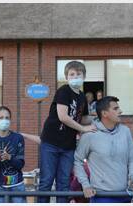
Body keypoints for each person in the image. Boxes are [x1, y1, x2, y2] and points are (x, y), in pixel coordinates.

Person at [38, 61, 96, 203]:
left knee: (64, 183)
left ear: (84, 76)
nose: (75, 76)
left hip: (68, 146)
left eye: (78, 74)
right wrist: (83, 129)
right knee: (46, 181)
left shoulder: (82, 97)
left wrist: (98, 117)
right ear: (66, 77)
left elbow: (82, 118)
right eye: (72, 74)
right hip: (51, 142)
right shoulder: (63, 91)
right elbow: (63, 116)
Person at [74, 96, 133, 203]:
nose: (120, 111)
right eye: (115, 109)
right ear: (104, 114)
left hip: (125, 195)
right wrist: (85, 185)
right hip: (102, 196)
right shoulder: (90, 135)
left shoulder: (125, 132)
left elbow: (132, 159)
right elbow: (77, 161)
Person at [0, 106, 26, 203]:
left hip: (17, 186)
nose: (4, 120)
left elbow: (21, 164)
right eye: (1, 118)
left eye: (7, 118)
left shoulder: (18, 138)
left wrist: (9, 157)